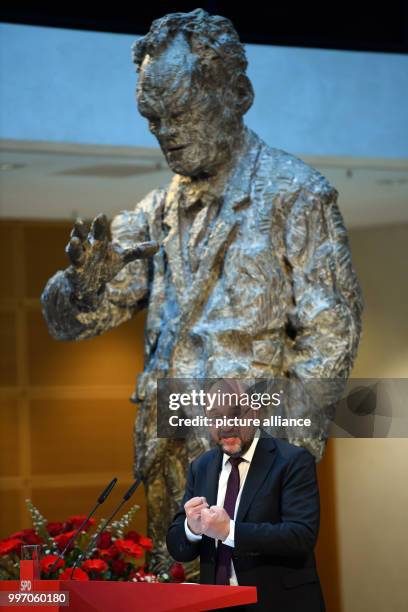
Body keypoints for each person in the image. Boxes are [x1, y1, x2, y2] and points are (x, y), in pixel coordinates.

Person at [40, 8, 363, 574]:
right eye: (152, 119)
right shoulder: (159, 208)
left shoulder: (295, 194)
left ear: (237, 93)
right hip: (167, 456)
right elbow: (68, 322)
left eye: (180, 112)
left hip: (250, 459)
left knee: (251, 594)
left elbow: (331, 334)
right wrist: (81, 287)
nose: (165, 132)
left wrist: (280, 457)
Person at [166, 379, 325, 612]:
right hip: (216, 604)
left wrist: (228, 531)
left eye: (235, 414)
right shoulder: (201, 467)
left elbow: (301, 536)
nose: (226, 425)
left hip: (278, 604)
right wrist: (191, 529)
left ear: (255, 412)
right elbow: (179, 547)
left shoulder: (292, 461)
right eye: (215, 416)